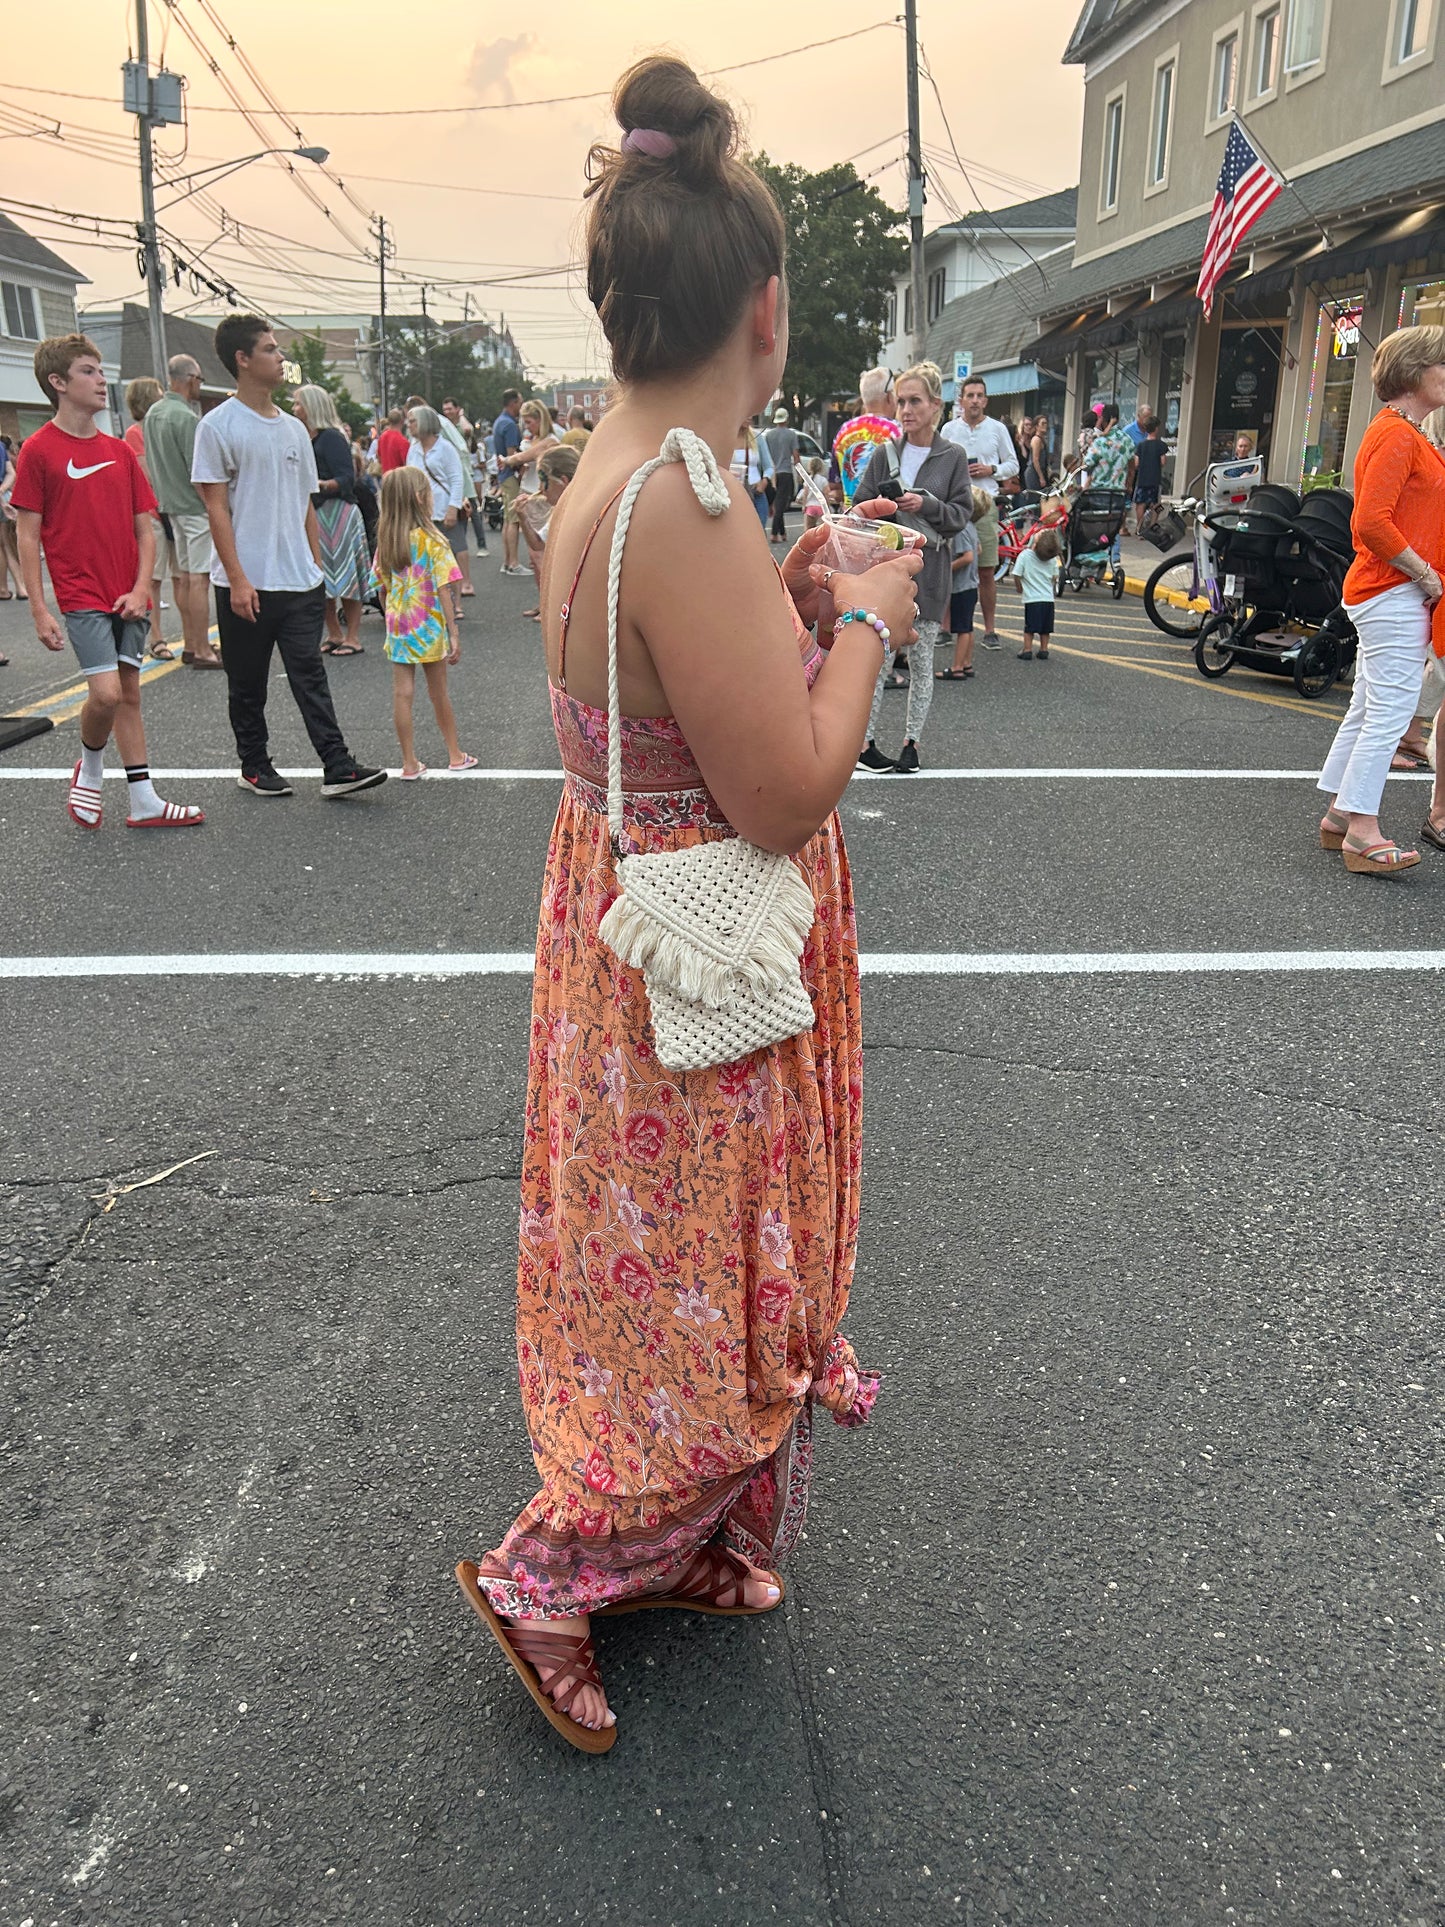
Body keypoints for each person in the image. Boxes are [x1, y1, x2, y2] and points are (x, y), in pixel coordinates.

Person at [455, 52, 920, 1752]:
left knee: (650, 1267)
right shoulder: (694, 504)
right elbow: (788, 784)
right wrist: (863, 614)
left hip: (626, 924)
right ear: (768, 314)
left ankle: (693, 1534)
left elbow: (661, 700)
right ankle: (556, 1571)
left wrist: (788, 599)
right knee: (699, 1277)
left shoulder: (608, 472)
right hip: (702, 963)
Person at [12, 334, 203, 830]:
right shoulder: (37, 451)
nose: (101, 380)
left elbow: (147, 527)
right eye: (87, 371)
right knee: (106, 695)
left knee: (131, 694)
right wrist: (39, 608)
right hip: (81, 595)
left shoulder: (119, 452)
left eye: (100, 371)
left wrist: (143, 588)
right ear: (58, 382)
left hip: (129, 595)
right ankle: (91, 770)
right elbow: (27, 536)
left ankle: (144, 801)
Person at [193, 314, 386, 801]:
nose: (281, 358)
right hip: (247, 582)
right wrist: (237, 580)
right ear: (242, 359)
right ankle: (254, 765)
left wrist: (315, 565)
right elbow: (215, 507)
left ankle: (337, 765)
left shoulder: (296, 431)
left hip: (300, 579)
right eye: (270, 349)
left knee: (310, 676)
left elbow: (304, 505)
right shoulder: (217, 426)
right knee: (248, 682)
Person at [1317, 325, 1445, 874]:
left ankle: (1340, 818)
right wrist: (1425, 576)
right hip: (1394, 590)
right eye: (1442, 364)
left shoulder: (1399, 430)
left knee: (1370, 706)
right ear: (1416, 372)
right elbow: (1370, 521)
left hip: (1383, 590)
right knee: (1389, 714)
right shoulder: (1397, 434)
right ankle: (1361, 830)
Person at [852, 361, 972, 774]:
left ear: (935, 405)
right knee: (878, 662)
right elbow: (860, 508)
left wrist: (927, 505)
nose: (906, 409)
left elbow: (960, 515)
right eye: (900, 401)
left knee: (921, 666)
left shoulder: (952, 456)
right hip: (889, 573)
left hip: (932, 575)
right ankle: (864, 743)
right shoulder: (884, 454)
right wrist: (885, 509)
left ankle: (911, 744)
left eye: (915, 401)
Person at [370, 465, 476, 779]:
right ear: (419, 498)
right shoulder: (433, 540)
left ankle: (409, 762)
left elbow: (382, 588)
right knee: (438, 692)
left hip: (400, 625)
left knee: (402, 692)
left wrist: (392, 614)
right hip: (428, 625)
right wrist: (453, 632)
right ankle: (455, 754)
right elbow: (445, 588)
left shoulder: (387, 540)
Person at [143, 353, 224, 668]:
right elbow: (198, 472)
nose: (199, 385)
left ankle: (193, 644)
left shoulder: (153, 414)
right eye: (199, 379)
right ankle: (201, 648)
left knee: (186, 577)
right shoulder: (187, 418)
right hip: (193, 507)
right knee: (199, 580)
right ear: (190, 378)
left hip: (168, 505)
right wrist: (213, 509)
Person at [291, 385, 370, 658]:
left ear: (312, 407)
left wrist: (322, 484)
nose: (294, 409)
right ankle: (335, 633)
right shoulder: (301, 438)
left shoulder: (332, 438)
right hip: (314, 514)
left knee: (346, 576)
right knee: (320, 577)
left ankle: (353, 636)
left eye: (298, 403)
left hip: (338, 513)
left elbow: (347, 477)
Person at [941, 375, 1018, 649]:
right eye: (969, 395)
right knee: (949, 566)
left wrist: (991, 470)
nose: (974, 400)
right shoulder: (949, 429)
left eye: (979, 396)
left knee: (986, 570)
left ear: (985, 400)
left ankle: (989, 629)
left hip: (985, 506)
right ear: (961, 400)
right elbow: (936, 463)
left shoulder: (997, 429)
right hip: (954, 505)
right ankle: (946, 627)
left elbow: (1013, 465)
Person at [123, 375, 173, 659]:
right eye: (157, 392)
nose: (162, 395)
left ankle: (194, 638)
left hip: (173, 508)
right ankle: (156, 638)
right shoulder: (135, 433)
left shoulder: (162, 428)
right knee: (153, 578)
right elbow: (147, 475)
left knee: (184, 576)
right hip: (153, 512)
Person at [516, 444, 581, 616]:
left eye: (544, 481)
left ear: (564, 481)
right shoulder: (558, 513)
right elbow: (538, 544)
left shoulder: (583, 513)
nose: (540, 489)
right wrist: (523, 518)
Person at [935, 486, 989, 680]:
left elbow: (967, 556)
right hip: (971, 584)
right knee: (967, 626)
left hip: (961, 586)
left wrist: (946, 567)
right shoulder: (971, 527)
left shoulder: (962, 528)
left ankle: (957, 667)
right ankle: (966, 663)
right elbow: (979, 550)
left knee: (962, 629)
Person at [828, 367, 899, 509]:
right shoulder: (897, 431)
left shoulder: (844, 431)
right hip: (887, 519)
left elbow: (834, 484)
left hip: (851, 517)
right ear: (890, 397)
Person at [1082, 403, 1136, 570]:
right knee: (1115, 525)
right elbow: (1132, 465)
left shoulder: (1101, 441)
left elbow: (1087, 463)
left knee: (1094, 526)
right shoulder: (1127, 440)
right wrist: (1128, 484)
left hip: (1098, 490)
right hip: (1118, 492)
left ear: (1103, 419)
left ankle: (1093, 561)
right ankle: (1115, 560)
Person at [1015, 525, 1061, 660]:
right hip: (1048, 599)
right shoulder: (1052, 560)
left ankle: (1027, 649)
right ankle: (1044, 649)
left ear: (1036, 542)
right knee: (1045, 628)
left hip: (1032, 599)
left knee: (1029, 627)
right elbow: (1054, 577)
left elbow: (1017, 574)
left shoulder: (1024, 556)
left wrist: (1019, 587)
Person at [492, 388, 525, 573]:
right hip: (511, 474)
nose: (521, 406)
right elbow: (512, 454)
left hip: (502, 475)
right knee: (514, 519)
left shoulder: (499, 422)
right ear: (513, 403)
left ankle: (507, 561)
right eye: (520, 402)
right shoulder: (510, 425)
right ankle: (513, 563)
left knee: (507, 520)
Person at [763, 406, 800, 545]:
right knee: (781, 503)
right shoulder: (791, 435)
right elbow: (796, 456)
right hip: (785, 472)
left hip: (772, 473)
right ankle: (773, 533)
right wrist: (800, 474)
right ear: (787, 419)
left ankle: (783, 533)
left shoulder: (768, 435)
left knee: (778, 502)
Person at [1131, 414, 1166, 534]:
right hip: (1155, 479)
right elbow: (1163, 462)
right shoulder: (1160, 445)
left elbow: (1136, 463)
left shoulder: (1141, 445)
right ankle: (1152, 526)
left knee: (1140, 503)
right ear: (1156, 428)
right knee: (1155, 503)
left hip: (1142, 479)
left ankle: (1140, 527)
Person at [729, 423, 769, 526]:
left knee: (760, 528)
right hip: (735, 492)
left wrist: (765, 480)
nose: (749, 417)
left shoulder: (757, 437)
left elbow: (769, 466)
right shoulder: (727, 437)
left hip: (756, 491)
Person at [377, 408, 410, 473]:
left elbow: (379, 458)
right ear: (402, 421)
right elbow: (407, 464)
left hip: (385, 477)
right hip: (398, 478)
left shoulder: (382, 437)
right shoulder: (403, 441)